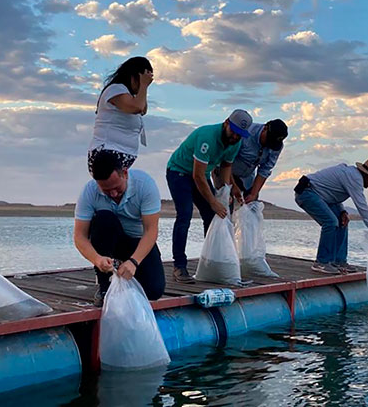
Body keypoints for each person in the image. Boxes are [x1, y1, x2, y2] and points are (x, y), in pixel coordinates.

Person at [166, 109, 252, 283]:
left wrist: (226, 190)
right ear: (226, 123)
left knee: (213, 217)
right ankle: (179, 267)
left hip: (201, 175)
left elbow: (226, 167)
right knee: (185, 215)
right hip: (179, 172)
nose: (235, 137)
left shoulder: (234, 143)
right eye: (234, 132)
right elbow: (197, 175)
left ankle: (212, 261)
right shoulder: (208, 137)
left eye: (240, 135)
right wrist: (213, 202)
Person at [74, 150, 165, 307]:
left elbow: (151, 231)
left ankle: (126, 275)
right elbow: (79, 236)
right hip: (109, 241)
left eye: (116, 187)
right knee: (103, 218)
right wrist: (97, 259)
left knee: (154, 290)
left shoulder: (145, 185)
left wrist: (134, 262)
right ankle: (105, 286)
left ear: (125, 173)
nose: (113, 193)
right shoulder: (89, 192)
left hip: (137, 241)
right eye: (106, 190)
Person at [294, 158, 368, 274]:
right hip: (307, 193)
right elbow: (362, 207)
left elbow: (332, 193)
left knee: (342, 221)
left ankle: (339, 261)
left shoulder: (352, 175)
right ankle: (321, 263)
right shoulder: (355, 178)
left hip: (321, 196)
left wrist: (342, 211)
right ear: (367, 175)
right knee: (330, 222)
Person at [87, 57, 154, 174]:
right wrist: (143, 85)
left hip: (119, 155)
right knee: (111, 190)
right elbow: (137, 107)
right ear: (134, 76)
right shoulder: (115, 89)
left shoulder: (128, 95)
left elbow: (143, 109)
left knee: (116, 191)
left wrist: (143, 87)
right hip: (107, 152)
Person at [212, 118, 288, 203]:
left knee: (252, 203)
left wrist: (253, 194)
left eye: (272, 143)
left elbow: (265, 170)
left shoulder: (276, 147)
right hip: (224, 169)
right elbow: (225, 162)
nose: (268, 144)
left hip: (247, 177)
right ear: (265, 128)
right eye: (268, 140)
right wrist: (232, 186)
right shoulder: (246, 133)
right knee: (225, 200)